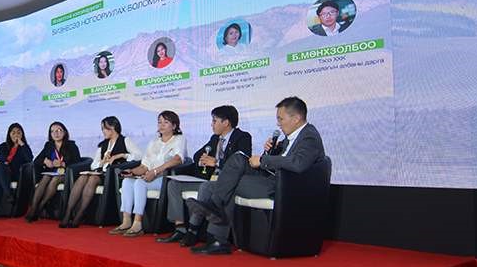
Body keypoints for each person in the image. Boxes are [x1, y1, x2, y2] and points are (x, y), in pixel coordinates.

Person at [185, 97, 325, 255]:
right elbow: (281, 160)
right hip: (271, 179)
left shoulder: (309, 136)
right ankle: (215, 229)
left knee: (230, 184)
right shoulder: (289, 139)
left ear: (296, 118)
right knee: (238, 159)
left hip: (283, 187)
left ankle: (217, 230)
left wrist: (264, 159)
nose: (278, 124)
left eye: (281, 119)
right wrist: (270, 151)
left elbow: (298, 163)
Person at [157, 105, 252, 246]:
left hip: (225, 184)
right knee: (174, 185)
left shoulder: (242, 137)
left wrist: (217, 162)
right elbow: (197, 156)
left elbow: (240, 163)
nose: (211, 124)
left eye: (214, 121)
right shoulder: (215, 138)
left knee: (205, 187)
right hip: (208, 179)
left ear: (226, 122)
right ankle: (180, 228)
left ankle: (192, 231)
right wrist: (202, 160)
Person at [111, 110, 187, 237]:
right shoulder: (153, 142)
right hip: (150, 177)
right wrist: (132, 171)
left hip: (165, 177)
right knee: (127, 181)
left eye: (166, 122)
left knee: (140, 183)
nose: (161, 125)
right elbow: (144, 166)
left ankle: (138, 223)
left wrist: (156, 171)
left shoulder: (179, 139)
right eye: (159, 122)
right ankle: (126, 221)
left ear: (174, 126)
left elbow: (178, 159)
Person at [60, 116, 141, 228]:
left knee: (92, 179)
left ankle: (79, 214)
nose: (103, 131)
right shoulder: (103, 145)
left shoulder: (125, 140)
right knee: (83, 177)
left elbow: (139, 155)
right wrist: (102, 162)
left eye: (105, 128)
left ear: (113, 127)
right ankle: (68, 213)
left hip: (112, 176)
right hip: (100, 172)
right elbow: (93, 165)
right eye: (102, 128)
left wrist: (122, 155)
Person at [25, 121, 80, 222]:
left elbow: (78, 162)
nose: (56, 133)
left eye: (59, 130)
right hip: (52, 172)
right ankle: (33, 207)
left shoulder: (71, 145)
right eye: (53, 131)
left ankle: (41, 206)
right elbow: (37, 160)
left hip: (65, 173)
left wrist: (63, 164)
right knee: (45, 178)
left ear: (64, 132)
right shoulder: (49, 145)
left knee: (54, 180)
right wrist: (45, 161)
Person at [0, 123, 33, 218]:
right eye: (13, 133)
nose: (16, 135)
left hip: (12, 174)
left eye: (18, 133)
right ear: (9, 134)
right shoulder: (3, 146)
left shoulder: (24, 148)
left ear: (22, 135)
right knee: (1, 167)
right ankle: (8, 194)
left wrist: (22, 144)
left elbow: (30, 159)